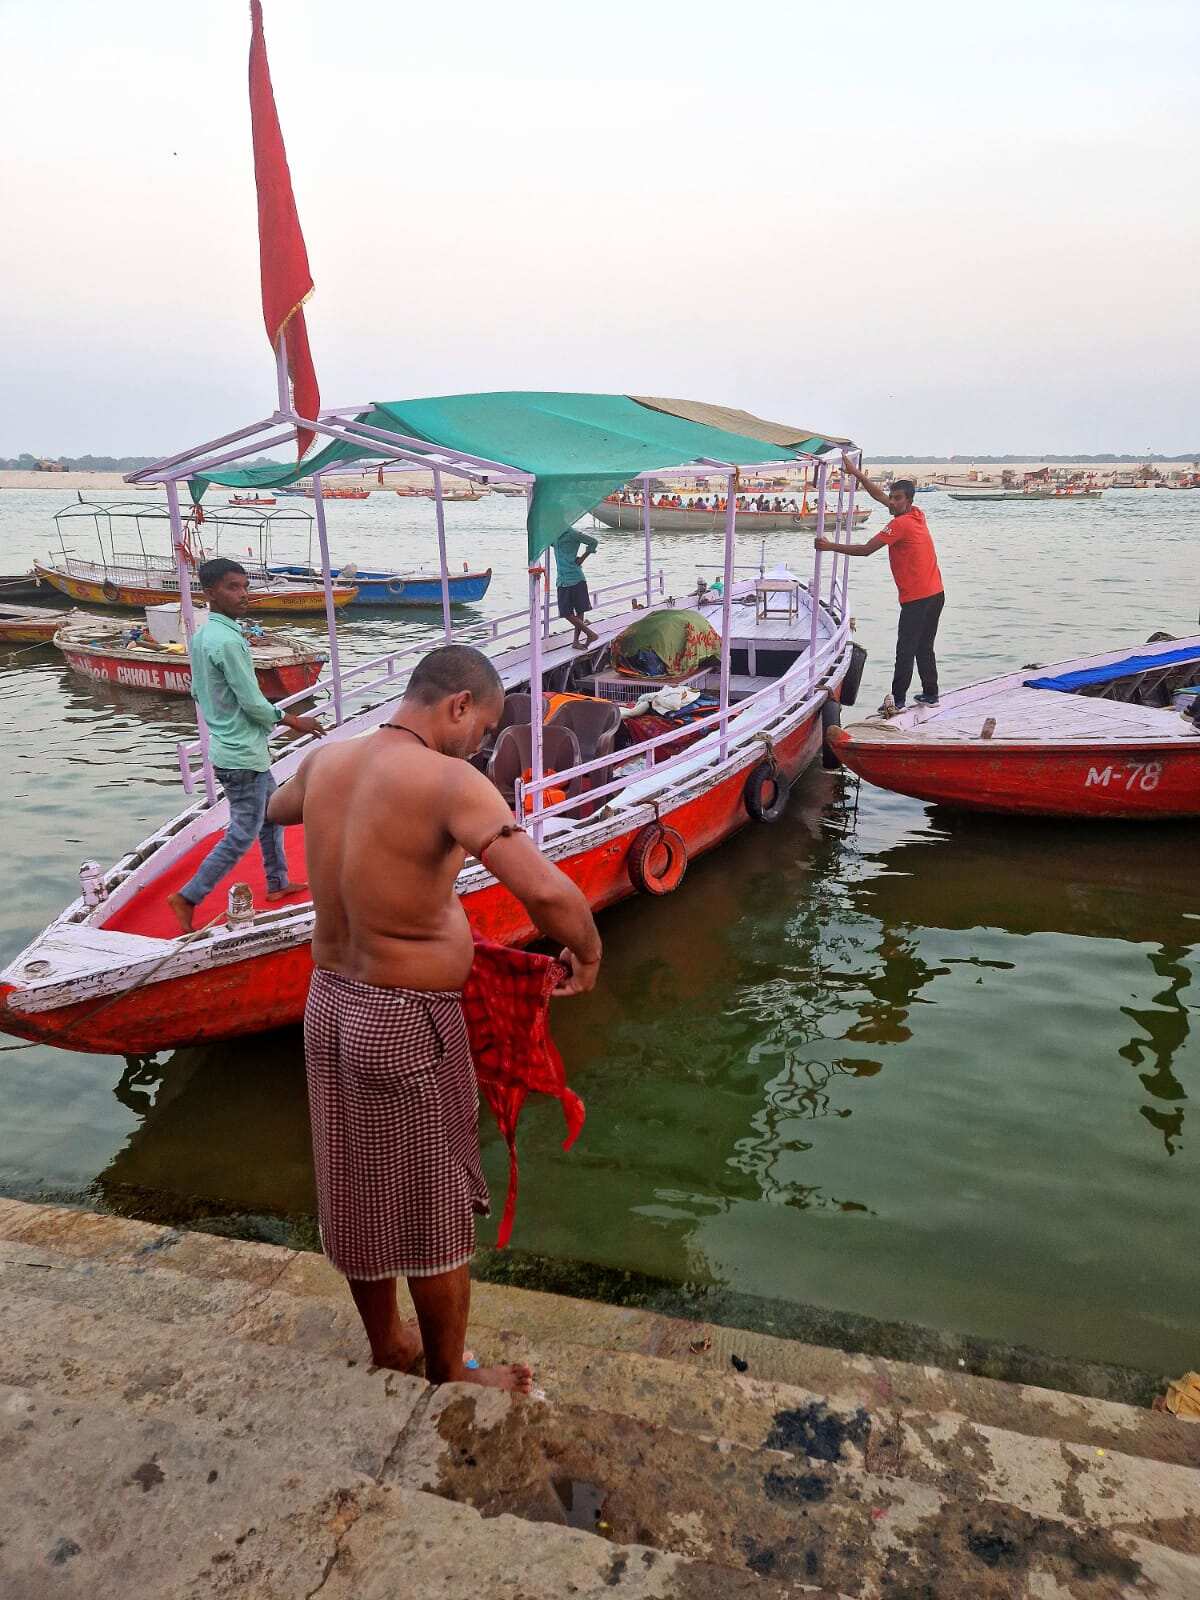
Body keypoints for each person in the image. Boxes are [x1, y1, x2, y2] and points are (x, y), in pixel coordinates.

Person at [267, 644, 602, 1393]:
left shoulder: (327, 763)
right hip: (404, 1020)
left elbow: (278, 805)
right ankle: (451, 1373)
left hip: (329, 1006)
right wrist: (589, 949)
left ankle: (389, 1342)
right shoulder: (452, 782)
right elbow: (546, 895)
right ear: (457, 705)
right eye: (482, 730)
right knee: (433, 1205)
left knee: (355, 1186)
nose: (480, 746)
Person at [167, 558, 324, 933]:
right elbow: (253, 703)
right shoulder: (226, 641)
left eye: (245, 587)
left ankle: (277, 881)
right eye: (232, 588)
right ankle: (188, 896)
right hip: (242, 755)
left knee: (271, 816)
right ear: (210, 592)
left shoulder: (204, 636)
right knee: (242, 831)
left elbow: (198, 691)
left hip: (233, 748)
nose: (243, 595)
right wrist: (294, 721)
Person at [814, 455, 945, 714]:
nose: (893, 502)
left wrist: (830, 547)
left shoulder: (900, 524)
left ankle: (897, 700)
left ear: (908, 500)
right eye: (892, 497)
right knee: (924, 646)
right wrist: (857, 474)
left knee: (905, 650)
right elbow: (879, 497)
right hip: (936, 593)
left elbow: (865, 550)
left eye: (898, 499)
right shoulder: (917, 514)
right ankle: (931, 693)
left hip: (918, 599)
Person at [553, 526, 599, 648]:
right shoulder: (554, 536)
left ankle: (589, 634)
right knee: (571, 612)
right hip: (562, 579)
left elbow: (593, 542)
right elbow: (548, 544)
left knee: (569, 612)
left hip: (575, 578)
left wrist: (582, 558)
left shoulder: (572, 533)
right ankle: (576, 641)